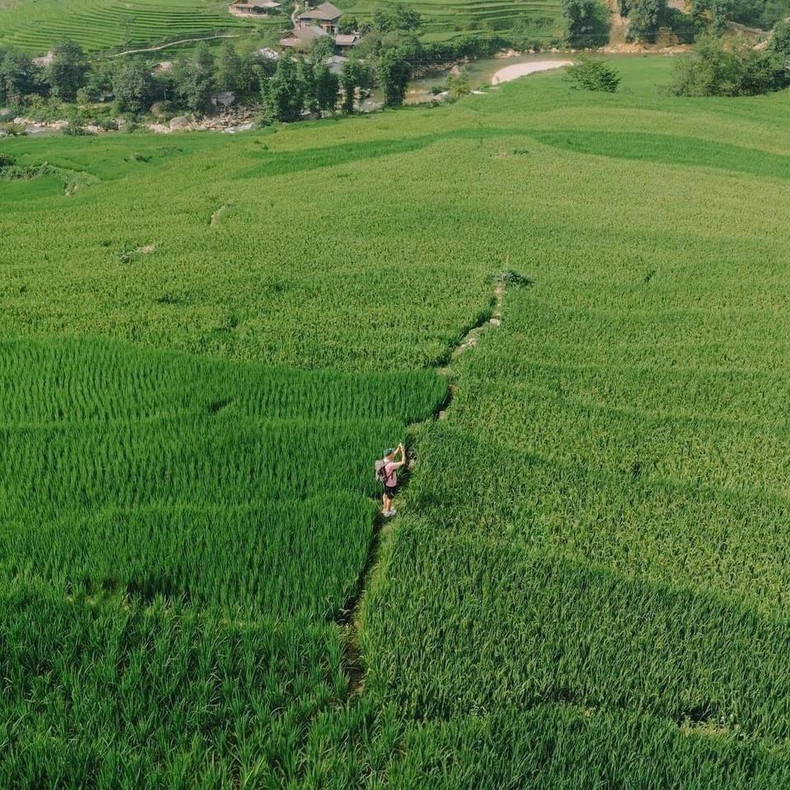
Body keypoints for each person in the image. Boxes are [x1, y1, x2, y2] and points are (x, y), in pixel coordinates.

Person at [380, 444, 406, 517]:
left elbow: (393, 454)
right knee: (390, 498)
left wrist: (399, 447)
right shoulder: (390, 465)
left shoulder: (385, 460)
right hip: (391, 484)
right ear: (389, 455)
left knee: (385, 494)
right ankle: (388, 512)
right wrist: (403, 452)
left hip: (385, 482)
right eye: (392, 453)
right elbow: (403, 462)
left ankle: (385, 508)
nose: (393, 453)